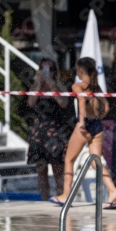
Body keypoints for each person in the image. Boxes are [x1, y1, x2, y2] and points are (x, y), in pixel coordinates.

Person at [49, 57, 116, 209]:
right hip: (97, 125)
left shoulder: (78, 86)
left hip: (86, 124)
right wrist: (99, 117)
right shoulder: (96, 87)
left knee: (69, 159)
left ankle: (66, 195)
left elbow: (81, 101)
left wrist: (81, 121)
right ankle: (113, 190)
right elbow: (106, 106)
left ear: (81, 70)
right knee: (96, 162)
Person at [27, 58, 69, 200]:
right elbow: (31, 103)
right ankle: (44, 199)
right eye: (44, 69)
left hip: (55, 130)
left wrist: (52, 85)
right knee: (41, 169)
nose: (47, 72)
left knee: (58, 169)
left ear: (54, 72)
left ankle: (60, 197)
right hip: (38, 131)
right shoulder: (35, 87)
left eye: (50, 69)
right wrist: (39, 83)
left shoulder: (60, 87)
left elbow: (63, 103)